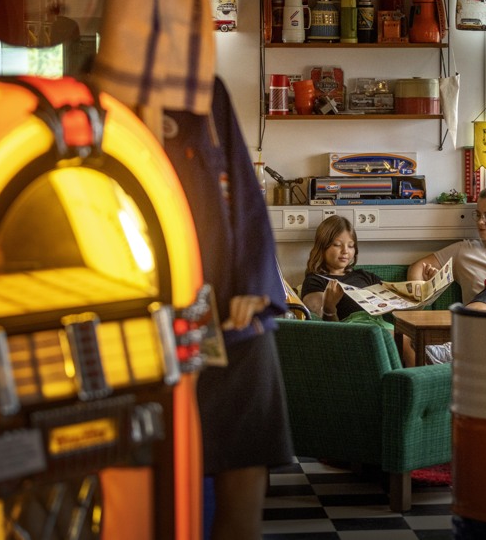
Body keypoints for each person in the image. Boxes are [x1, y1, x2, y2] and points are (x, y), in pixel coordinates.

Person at [161, 79, 293, 540]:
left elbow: (245, 193)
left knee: (243, 493)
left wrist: (256, 285)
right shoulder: (93, 84)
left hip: (233, 322)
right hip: (147, 322)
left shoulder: (205, 90)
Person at [300, 215, 385, 321]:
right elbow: (321, 322)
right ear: (322, 247)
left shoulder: (365, 276)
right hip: (355, 331)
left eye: (350, 246)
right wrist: (329, 308)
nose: (345, 251)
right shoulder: (315, 281)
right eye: (337, 245)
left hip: (381, 326)